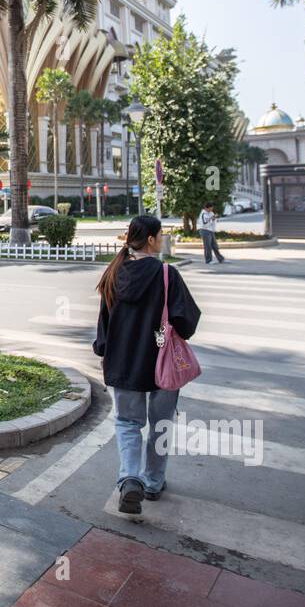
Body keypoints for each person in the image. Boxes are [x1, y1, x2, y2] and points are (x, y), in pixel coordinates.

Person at [93, 215, 201, 514]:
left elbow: (104, 325)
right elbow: (186, 322)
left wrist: (103, 349)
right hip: (162, 361)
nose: (162, 238)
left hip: (124, 362)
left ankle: (130, 478)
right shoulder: (167, 274)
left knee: (128, 423)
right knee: (160, 424)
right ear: (151, 239)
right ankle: (153, 483)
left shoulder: (113, 272)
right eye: (160, 234)